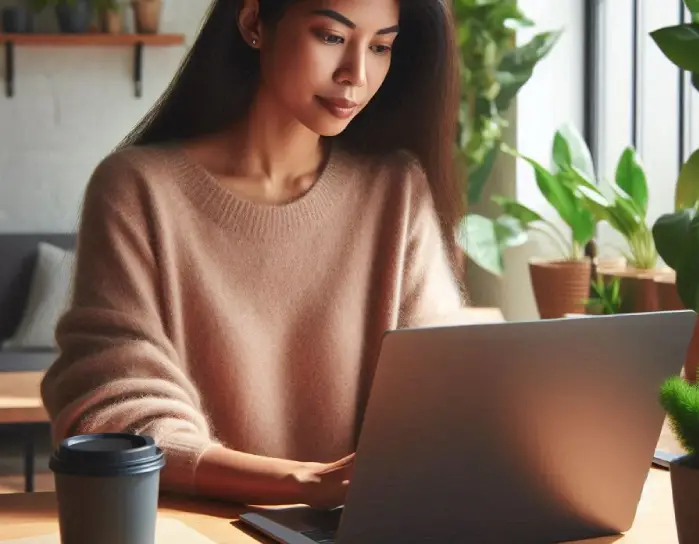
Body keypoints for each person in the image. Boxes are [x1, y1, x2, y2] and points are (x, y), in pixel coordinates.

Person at [40, 0, 466, 509]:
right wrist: (300, 484)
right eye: (331, 37)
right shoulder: (137, 189)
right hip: (194, 530)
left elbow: (443, 384)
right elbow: (119, 410)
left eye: (380, 47)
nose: (356, 74)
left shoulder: (397, 191)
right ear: (252, 22)